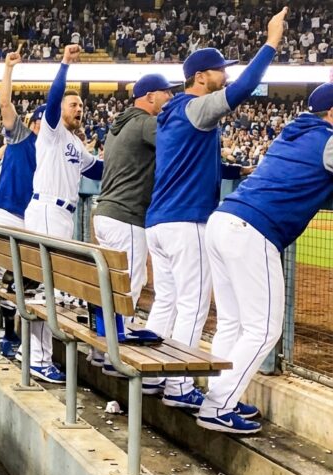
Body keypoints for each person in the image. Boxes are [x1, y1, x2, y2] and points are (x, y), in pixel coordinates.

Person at [144, 7, 286, 410]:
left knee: (172, 302)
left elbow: (187, 159)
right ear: (202, 76)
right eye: (219, 70)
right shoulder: (198, 105)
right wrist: (271, 43)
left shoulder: (172, 113)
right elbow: (242, 92)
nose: (224, 74)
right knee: (192, 306)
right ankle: (178, 386)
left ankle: (162, 380)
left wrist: (233, 168)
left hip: (160, 221)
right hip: (186, 219)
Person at [198, 83, 333, 434]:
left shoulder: (291, 134)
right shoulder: (328, 140)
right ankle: (217, 406)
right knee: (264, 329)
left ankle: (218, 395)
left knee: (232, 322)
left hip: (223, 220)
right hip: (252, 231)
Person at [88, 74, 178, 395]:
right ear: (150, 96)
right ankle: (114, 353)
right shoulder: (143, 123)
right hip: (126, 216)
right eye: (167, 93)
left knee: (113, 284)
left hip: (107, 214)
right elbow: (176, 140)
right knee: (130, 285)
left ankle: (102, 349)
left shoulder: (120, 124)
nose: (170, 97)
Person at [24, 44, 104, 384]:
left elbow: (98, 171)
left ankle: (37, 354)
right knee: (43, 290)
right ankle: (37, 358)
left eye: (82, 105)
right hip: (46, 209)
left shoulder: (75, 143)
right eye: (74, 104)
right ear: (59, 109)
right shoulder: (52, 133)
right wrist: (65, 64)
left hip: (64, 215)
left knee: (48, 288)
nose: (79, 109)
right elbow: (55, 92)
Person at [0, 45, 43, 358]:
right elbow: (4, 102)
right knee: (8, 275)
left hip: (24, 216)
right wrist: (8, 69)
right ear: (33, 124)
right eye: (42, 121)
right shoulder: (22, 137)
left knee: (17, 276)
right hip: (4, 211)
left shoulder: (52, 149)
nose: (46, 127)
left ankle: (1, 329)